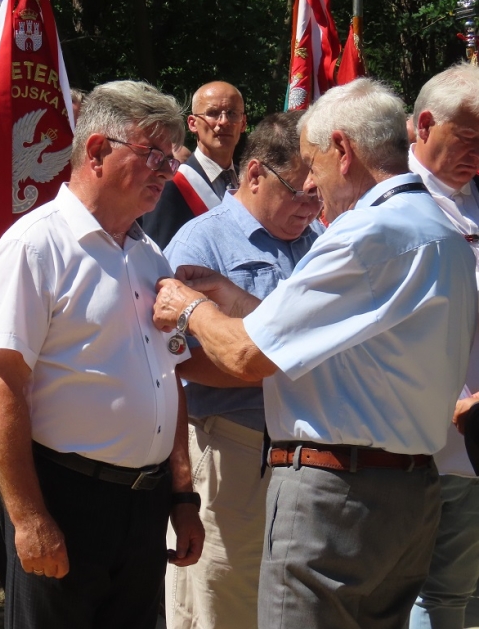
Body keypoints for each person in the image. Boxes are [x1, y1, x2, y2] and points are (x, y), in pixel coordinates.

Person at [153, 78, 477, 629]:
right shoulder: (441, 230)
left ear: (343, 149)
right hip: (408, 491)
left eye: (312, 162)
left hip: (337, 496)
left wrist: (189, 308)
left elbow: (249, 356)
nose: (311, 182)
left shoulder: (367, 235)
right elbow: (335, 341)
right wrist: (231, 298)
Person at [0, 80, 205, 629]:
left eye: (171, 159)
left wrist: (182, 496)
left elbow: (168, 378)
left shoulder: (149, 255)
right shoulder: (35, 247)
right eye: (153, 155)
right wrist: (28, 517)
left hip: (144, 505)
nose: (166, 172)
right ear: (98, 150)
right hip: (64, 498)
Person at [162, 111, 324, 629]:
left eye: (318, 195)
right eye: (301, 193)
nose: (312, 208)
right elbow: (173, 358)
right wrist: (272, 369)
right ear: (255, 174)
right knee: (219, 602)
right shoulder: (199, 243)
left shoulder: (318, 241)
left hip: (305, 456)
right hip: (229, 447)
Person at [408, 63, 479, 629]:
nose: (477, 156)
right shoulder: (384, 203)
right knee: (418, 594)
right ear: (425, 125)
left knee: (458, 595)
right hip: (417, 441)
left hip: (474, 440)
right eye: (469, 139)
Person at [142, 81, 246, 248]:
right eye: (213, 113)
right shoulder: (170, 185)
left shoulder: (247, 183)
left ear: (243, 123)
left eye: (232, 113)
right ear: (192, 123)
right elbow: (157, 254)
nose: (224, 121)